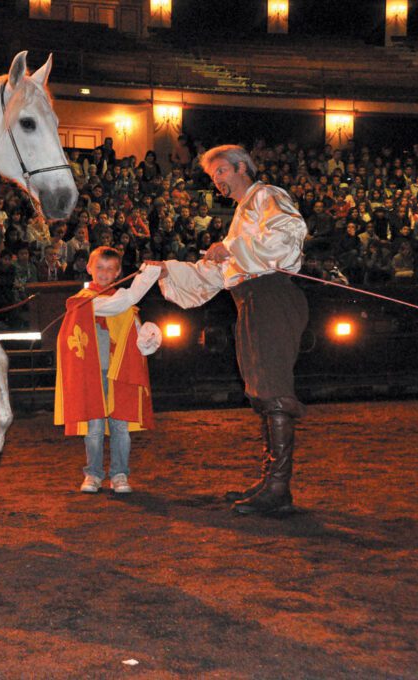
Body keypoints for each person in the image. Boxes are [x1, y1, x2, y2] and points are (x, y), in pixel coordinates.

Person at [148, 144, 308, 516]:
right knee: (261, 388)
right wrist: (169, 269)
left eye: (220, 171)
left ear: (241, 168)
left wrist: (231, 248)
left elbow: (288, 234)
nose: (216, 180)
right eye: (212, 176)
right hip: (252, 299)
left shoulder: (266, 195)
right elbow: (218, 274)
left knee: (272, 388)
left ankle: (278, 487)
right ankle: (273, 481)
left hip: (269, 295)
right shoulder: (242, 214)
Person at [55, 248, 162, 494]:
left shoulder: (125, 304)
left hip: (119, 373)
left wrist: (148, 339)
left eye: (110, 269)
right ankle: (93, 474)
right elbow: (117, 304)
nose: (104, 273)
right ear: (89, 268)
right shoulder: (82, 300)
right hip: (90, 374)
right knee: (93, 430)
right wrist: (147, 277)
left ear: (118, 273)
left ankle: (119, 474)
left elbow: (135, 339)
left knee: (120, 428)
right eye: (99, 268)